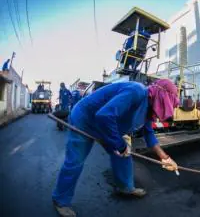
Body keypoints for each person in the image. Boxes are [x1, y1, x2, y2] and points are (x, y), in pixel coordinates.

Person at [52, 79, 180, 217]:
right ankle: (61, 200)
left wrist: (165, 158)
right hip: (84, 120)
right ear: (160, 97)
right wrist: (119, 144)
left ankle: (125, 187)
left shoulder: (149, 107)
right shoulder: (135, 92)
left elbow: (149, 134)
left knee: (124, 155)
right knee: (75, 161)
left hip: (107, 124)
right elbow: (104, 115)